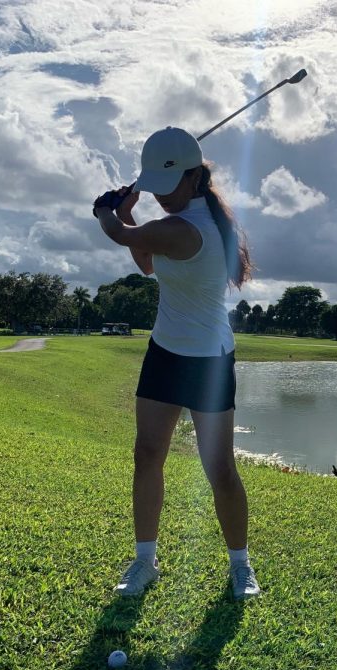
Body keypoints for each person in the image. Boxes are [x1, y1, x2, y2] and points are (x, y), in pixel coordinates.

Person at [93, 126, 260, 600]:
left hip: (208, 362)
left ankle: (240, 566)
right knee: (146, 455)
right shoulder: (182, 219)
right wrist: (129, 215)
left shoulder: (192, 228)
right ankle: (145, 560)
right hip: (165, 351)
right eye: (155, 189)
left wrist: (109, 211)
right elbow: (148, 261)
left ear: (193, 178)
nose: (161, 197)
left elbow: (120, 234)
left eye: (167, 188)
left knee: (219, 469)